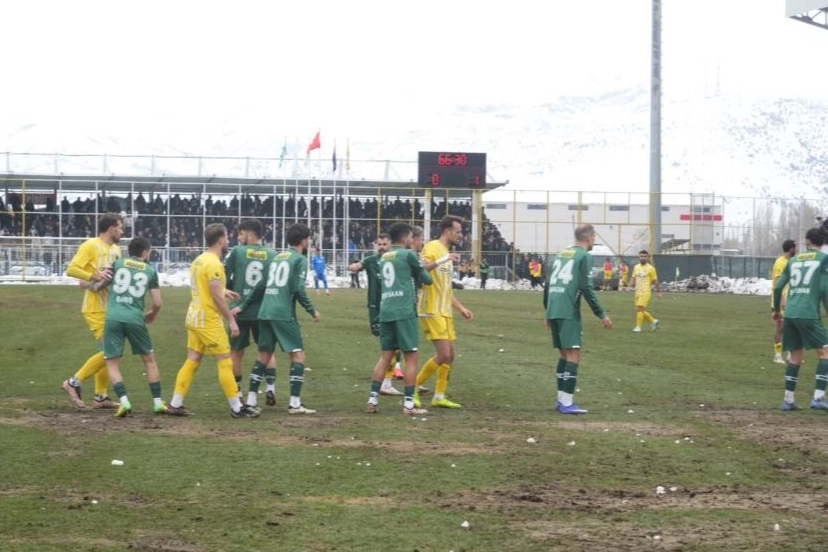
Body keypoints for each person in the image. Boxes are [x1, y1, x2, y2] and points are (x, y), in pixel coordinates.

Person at [167, 223, 259, 418]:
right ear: (220, 240)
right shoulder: (215, 264)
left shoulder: (199, 260)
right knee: (225, 360)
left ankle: (175, 403)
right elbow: (216, 296)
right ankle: (237, 408)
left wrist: (224, 290)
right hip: (208, 319)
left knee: (193, 359)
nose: (228, 241)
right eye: (226, 237)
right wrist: (231, 320)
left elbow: (207, 287)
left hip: (194, 316)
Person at [236, 223, 321, 414]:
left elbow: (260, 285)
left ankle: (251, 400)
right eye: (308, 239)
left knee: (264, 355)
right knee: (298, 355)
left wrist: (244, 306)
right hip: (282, 312)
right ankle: (295, 403)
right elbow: (298, 289)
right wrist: (312, 310)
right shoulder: (299, 260)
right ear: (304, 241)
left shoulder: (277, 257)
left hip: (265, 311)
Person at [543, 224, 612, 414]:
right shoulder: (584, 256)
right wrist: (601, 313)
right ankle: (566, 402)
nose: (594, 240)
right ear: (589, 238)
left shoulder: (560, 254)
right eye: (594, 237)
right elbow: (586, 287)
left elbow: (548, 284)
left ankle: (561, 400)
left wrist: (547, 311)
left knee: (563, 355)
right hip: (568, 310)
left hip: (554, 308)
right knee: (573, 354)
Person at [365, 222, 434, 415]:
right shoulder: (408, 255)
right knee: (411, 357)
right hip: (404, 311)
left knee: (385, 356)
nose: (413, 239)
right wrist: (420, 269)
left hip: (386, 310)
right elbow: (427, 280)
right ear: (405, 237)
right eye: (411, 236)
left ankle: (372, 400)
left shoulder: (384, 257)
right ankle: (409, 404)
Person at [61, 213, 124, 409]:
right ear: (111, 228)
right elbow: (72, 269)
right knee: (111, 351)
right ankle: (73, 382)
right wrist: (94, 277)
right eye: (120, 227)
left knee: (107, 353)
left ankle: (101, 396)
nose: (122, 231)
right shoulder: (90, 245)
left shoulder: (117, 250)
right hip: (95, 308)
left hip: (110, 306)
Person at [101, 237, 166, 417]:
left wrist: (89, 282)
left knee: (112, 363)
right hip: (135, 318)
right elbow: (158, 302)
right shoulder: (150, 270)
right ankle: (158, 403)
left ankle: (124, 402)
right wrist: (152, 314)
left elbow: (101, 281)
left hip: (113, 317)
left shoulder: (117, 264)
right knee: (149, 361)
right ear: (145, 252)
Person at [415, 215, 474, 409]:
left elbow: (446, 290)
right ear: (448, 231)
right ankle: (413, 387)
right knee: (443, 354)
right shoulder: (433, 247)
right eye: (458, 231)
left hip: (444, 311)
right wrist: (443, 259)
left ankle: (439, 396)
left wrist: (461, 308)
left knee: (450, 355)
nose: (461, 235)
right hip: (431, 309)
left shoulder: (447, 254)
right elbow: (422, 269)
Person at [224, 219, 278, 408]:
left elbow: (224, 276)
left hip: (238, 310)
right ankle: (270, 388)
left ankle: (238, 392)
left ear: (249, 234)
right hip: (263, 310)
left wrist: (233, 288)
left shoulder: (237, 252)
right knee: (266, 350)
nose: (239, 238)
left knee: (236, 353)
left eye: (240, 234)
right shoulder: (272, 255)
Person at [773, 227, 828, 411]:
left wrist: (777, 310)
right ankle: (818, 398)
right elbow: (824, 289)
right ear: (823, 242)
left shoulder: (793, 260)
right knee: (825, 353)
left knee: (795, 356)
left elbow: (778, 287)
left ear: (807, 241)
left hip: (790, 313)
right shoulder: (824, 259)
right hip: (808, 313)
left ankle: (788, 400)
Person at [349, 233, 404, 394]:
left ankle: (393, 373)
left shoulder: (396, 259)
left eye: (384, 244)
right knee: (390, 344)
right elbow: (359, 265)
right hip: (376, 307)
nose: (381, 247)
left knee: (395, 342)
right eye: (379, 244)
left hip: (392, 305)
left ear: (390, 245)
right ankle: (387, 379)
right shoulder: (371, 260)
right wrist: (354, 266)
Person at [771, 239, 797, 364]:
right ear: (791, 248)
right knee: (780, 327)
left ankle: (790, 354)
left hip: (790, 300)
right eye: (795, 247)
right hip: (781, 300)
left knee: (791, 327)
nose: (796, 250)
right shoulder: (781, 262)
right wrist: (781, 301)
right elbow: (777, 283)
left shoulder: (791, 262)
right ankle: (777, 355)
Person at [628, 250, 661, 332]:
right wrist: (629, 286)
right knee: (639, 310)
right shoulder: (636, 267)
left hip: (646, 291)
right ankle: (653, 321)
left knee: (640, 308)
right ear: (639, 257)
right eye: (641, 256)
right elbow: (633, 277)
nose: (643, 258)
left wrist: (659, 292)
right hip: (637, 292)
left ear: (648, 257)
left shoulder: (651, 268)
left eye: (645, 256)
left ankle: (638, 327)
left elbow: (655, 280)